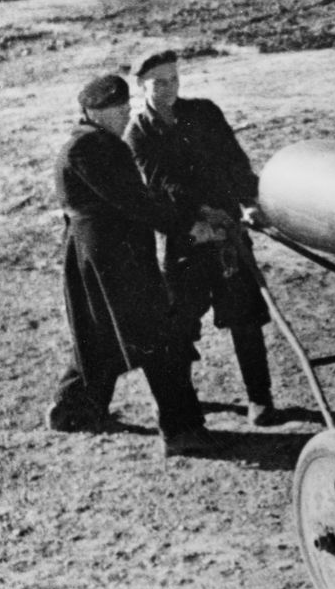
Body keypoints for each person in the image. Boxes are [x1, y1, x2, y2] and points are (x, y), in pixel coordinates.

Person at [48, 74, 213, 456]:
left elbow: (137, 197)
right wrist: (190, 227)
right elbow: (135, 203)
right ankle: (182, 430)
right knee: (161, 338)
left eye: (126, 107)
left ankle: (72, 409)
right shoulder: (91, 149)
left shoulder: (94, 143)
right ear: (93, 111)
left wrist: (190, 210)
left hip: (103, 256)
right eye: (116, 109)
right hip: (113, 260)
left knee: (102, 334)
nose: (125, 115)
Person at [123, 48, 278, 426]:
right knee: (179, 323)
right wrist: (200, 213)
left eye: (174, 79)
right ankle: (179, 399)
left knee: (245, 316)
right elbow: (160, 184)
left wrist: (250, 201)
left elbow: (234, 161)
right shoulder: (137, 133)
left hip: (227, 234)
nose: (169, 88)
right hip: (182, 240)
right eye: (159, 82)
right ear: (141, 85)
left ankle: (260, 399)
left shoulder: (204, 113)